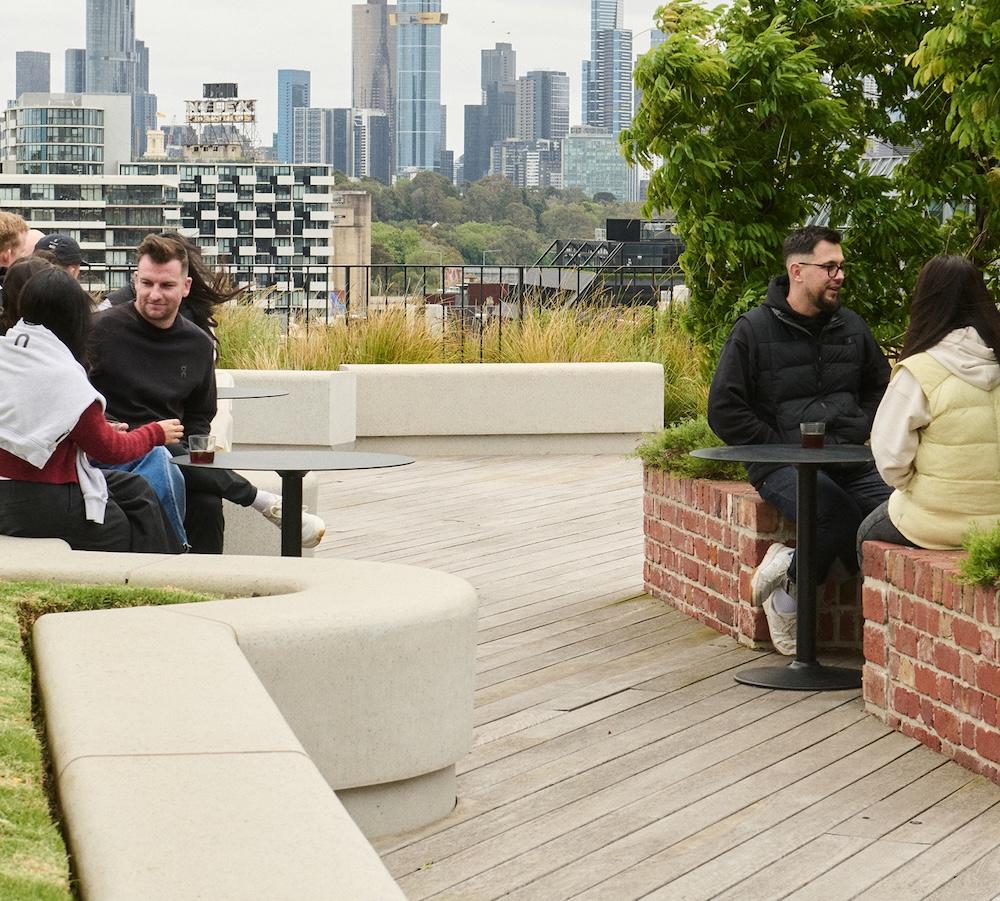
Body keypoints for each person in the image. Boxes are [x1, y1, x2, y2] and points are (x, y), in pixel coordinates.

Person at [707, 225, 892, 654]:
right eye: (829, 267)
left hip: (848, 458)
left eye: (841, 267)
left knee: (899, 510)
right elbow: (724, 409)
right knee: (832, 513)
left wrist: (858, 424)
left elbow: (881, 387)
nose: (839, 276)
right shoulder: (753, 330)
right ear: (797, 271)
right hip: (778, 464)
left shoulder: (851, 327)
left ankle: (786, 563)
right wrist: (776, 445)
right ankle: (787, 599)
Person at [88, 233, 325, 554]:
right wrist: (111, 425)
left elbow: (200, 420)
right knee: (160, 453)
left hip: (176, 450)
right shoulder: (100, 330)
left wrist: (204, 465)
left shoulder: (197, 344)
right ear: (135, 280)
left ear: (185, 287)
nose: (154, 294)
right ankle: (260, 500)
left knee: (208, 503)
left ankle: (207, 584)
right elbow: (79, 398)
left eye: (166, 286)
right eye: (146, 283)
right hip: (114, 451)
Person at [0, 267, 184, 553]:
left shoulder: (10, 352)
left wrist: (88, 429)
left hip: (11, 491)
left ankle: (173, 565)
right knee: (123, 531)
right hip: (40, 497)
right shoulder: (62, 375)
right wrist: (155, 433)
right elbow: (109, 450)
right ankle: (157, 579)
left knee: (137, 490)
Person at [859, 256, 1000, 554]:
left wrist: (915, 487)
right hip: (996, 528)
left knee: (865, 534)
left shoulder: (919, 371)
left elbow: (890, 461)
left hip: (935, 523)